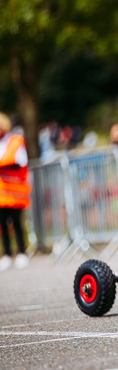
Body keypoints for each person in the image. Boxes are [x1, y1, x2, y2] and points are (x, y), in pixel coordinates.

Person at [0, 112, 31, 271]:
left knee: (17, 223)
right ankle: (6, 254)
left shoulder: (15, 141)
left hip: (15, 192)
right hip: (1, 194)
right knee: (3, 225)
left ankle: (21, 252)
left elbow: (21, 162)